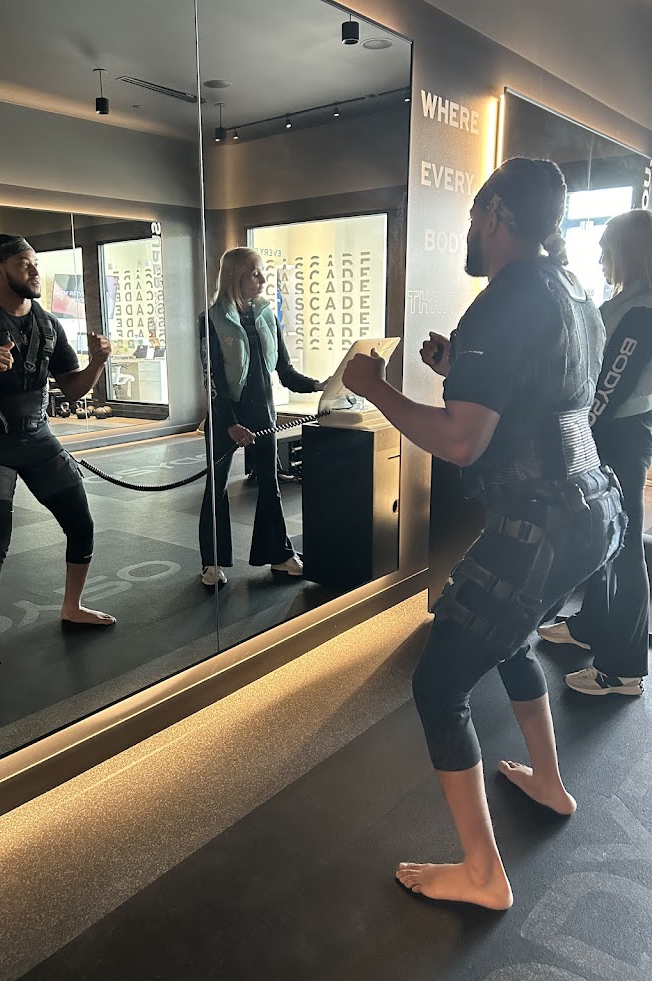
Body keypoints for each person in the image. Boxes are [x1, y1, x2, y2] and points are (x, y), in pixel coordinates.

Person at [342, 158, 625, 910]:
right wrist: (454, 367)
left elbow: (462, 442)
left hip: (540, 522)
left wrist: (374, 389)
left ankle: (482, 873)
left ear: (496, 213)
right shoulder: (572, 292)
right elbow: (539, 397)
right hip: (591, 511)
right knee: (513, 639)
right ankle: (550, 783)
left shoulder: (504, 298)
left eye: (474, 213)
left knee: (438, 686)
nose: (470, 226)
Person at [0, 234, 116, 670]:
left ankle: (72, 607)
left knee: (81, 523)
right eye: (24, 262)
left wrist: (97, 363)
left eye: (36, 262)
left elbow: (72, 389)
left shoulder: (48, 324)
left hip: (38, 438)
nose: (35, 271)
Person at [538, 209, 652, 696]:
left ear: (629, 250)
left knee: (623, 547)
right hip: (613, 431)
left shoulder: (642, 309)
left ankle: (623, 669)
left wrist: (575, 438)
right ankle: (590, 627)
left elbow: (610, 385)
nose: (602, 254)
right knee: (606, 536)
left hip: (620, 434)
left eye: (607, 246)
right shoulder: (627, 301)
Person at [198, 247, 324, 587]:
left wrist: (319, 385)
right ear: (235, 276)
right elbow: (213, 380)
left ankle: (279, 555)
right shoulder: (210, 320)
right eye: (255, 273)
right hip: (226, 416)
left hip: (262, 412)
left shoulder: (267, 316)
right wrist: (230, 423)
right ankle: (211, 561)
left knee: (270, 483)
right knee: (216, 487)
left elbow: (285, 371)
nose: (263, 280)